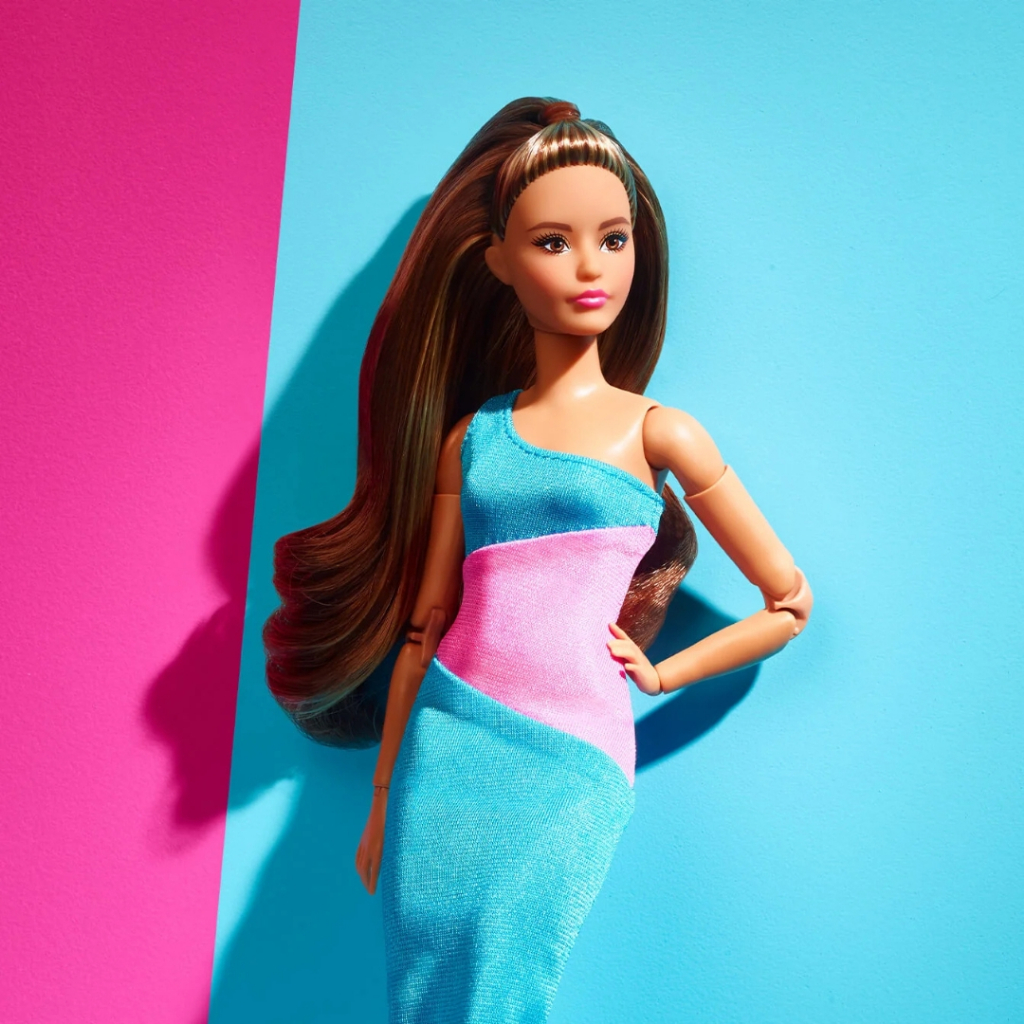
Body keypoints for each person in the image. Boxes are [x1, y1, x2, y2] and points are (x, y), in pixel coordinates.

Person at [263, 96, 812, 1023]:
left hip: (569, 753)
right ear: (499, 263)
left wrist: (664, 673)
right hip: (446, 742)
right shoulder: (471, 439)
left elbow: (789, 603)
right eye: (554, 242)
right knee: (420, 985)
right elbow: (424, 627)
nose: (592, 267)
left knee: (508, 976)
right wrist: (384, 794)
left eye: (614, 239)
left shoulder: (662, 433)